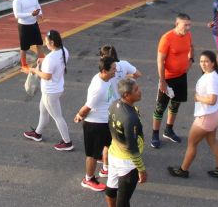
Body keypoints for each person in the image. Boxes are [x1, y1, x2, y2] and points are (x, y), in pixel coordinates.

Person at [167, 50, 218, 179]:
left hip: (205, 118)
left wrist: (198, 98)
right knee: (212, 141)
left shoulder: (211, 78)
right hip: (214, 115)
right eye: (201, 61)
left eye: (206, 61)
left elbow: (212, 100)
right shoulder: (213, 75)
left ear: (213, 63)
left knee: (192, 144)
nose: (203, 64)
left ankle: (183, 170)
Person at [23, 30, 73, 151]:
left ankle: (67, 142)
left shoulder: (51, 58)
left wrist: (34, 71)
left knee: (57, 117)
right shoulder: (64, 51)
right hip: (57, 88)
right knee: (43, 111)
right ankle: (38, 134)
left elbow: (46, 76)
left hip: (50, 92)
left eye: (46, 41)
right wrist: (44, 61)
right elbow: (55, 66)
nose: (45, 43)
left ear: (52, 42)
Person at [74, 56, 117, 192]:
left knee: (109, 146)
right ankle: (88, 179)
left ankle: (105, 170)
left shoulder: (105, 79)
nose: (115, 71)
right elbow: (87, 107)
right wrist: (79, 116)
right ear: (104, 70)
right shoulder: (99, 88)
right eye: (113, 69)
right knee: (92, 154)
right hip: (95, 125)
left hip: (105, 122)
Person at [151, 13, 194, 148]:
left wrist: (191, 61)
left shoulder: (187, 35)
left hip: (181, 77)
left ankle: (168, 130)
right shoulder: (167, 38)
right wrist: (162, 81)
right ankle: (155, 134)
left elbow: (191, 47)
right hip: (168, 79)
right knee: (160, 108)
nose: (188, 28)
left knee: (175, 105)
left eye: (189, 24)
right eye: (185, 25)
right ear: (177, 24)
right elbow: (160, 61)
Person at [106, 78, 146, 207]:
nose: (140, 91)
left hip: (113, 155)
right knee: (123, 201)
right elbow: (132, 148)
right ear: (127, 95)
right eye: (136, 90)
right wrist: (141, 170)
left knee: (111, 189)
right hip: (127, 163)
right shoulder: (130, 118)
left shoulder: (114, 105)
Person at [12, 0, 45, 71]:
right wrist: (31, 14)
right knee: (24, 47)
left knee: (39, 43)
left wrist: (40, 13)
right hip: (24, 26)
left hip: (34, 23)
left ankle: (42, 60)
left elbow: (37, 5)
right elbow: (17, 15)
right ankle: (24, 64)